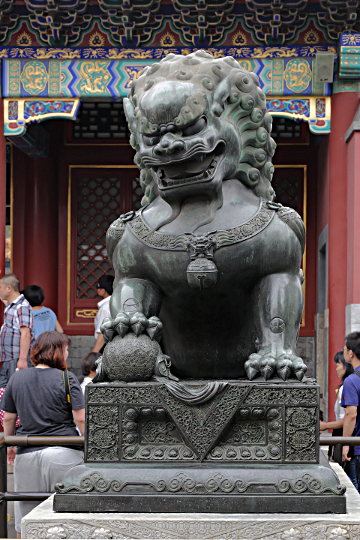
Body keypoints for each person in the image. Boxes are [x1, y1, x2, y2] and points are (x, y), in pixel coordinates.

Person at [1, 331, 85, 538]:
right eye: (66, 350)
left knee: (26, 519)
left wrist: (11, 444)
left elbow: (9, 418)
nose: (66, 354)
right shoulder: (67, 378)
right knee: (67, 516)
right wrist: (90, 444)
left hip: (27, 455)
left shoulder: (17, 378)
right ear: (57, 351)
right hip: (64, 453)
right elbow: (80, 419)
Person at [320, 351, 358, 491]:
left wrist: (326, 425)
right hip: (349, 435)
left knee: (352, 479)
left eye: (338, 364)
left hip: (348, 435)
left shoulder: (347, 386)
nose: (336, 368)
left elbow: (349, 416)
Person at [0, 274, 34, 386]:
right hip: (8, 358)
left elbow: (26, 334)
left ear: (8, 288)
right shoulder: (12, 305)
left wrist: (22, 360)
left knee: (15, 392)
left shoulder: (22, 307)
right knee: (5, 391)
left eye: (0, 287)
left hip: (16, 358)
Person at [341, 332, 360, 485]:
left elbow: (351, 414)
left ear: (351, 353)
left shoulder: (352, 380)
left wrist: (345, 442)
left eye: (344, 349)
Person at [92, 275, 114, 353]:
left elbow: (103, 333)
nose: (97, 290)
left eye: (97, 287)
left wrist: (94, 353)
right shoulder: (115, 303)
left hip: (106, 346)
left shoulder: (105, 307)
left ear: (103, 290)